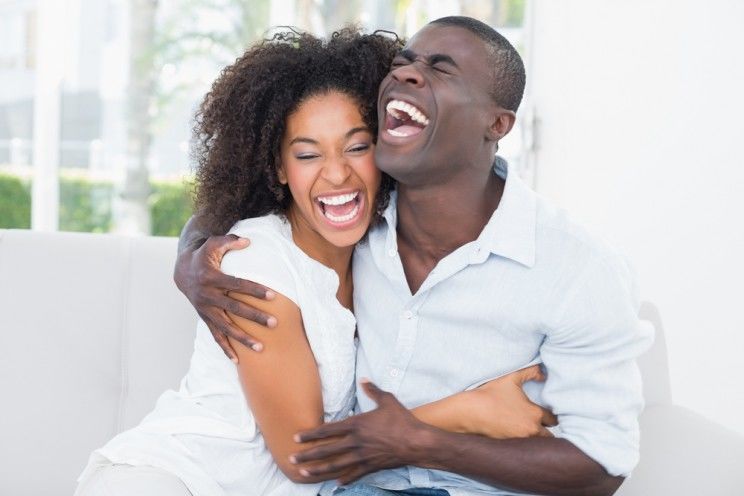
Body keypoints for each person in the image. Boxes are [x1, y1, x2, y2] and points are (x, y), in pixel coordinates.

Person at [176, 16, 654, 496]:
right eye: (403, 63)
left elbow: (600, 466)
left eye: (441, 69)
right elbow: (253, 208)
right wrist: (192, 258)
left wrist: (425, 444)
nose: (406, 73)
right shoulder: (356, 215)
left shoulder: (578, 268)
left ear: (497, 123)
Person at [75, 28, 554, 496]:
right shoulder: (254, 264)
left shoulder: (379, 246)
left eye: (357, 146)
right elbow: (305, 458)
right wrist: (468, 411)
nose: (337, 172)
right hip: (173, 479)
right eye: (308, 154)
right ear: (279, 169)